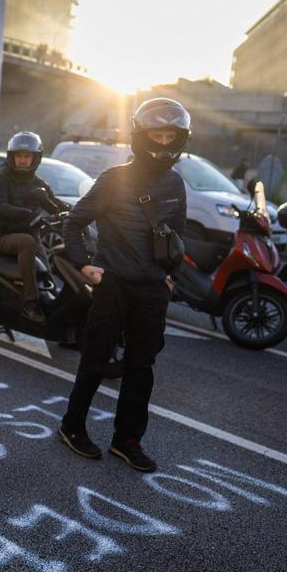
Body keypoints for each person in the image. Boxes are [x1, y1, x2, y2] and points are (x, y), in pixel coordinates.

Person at [59, 98, 189, 474]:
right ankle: (72, 426)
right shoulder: (114, 179)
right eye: (156, 135)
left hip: (152, 290)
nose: (163, 143)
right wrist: (86, 264)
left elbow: (177, 234)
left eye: (170, 136)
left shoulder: (176, 183)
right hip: (113, 283)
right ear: (140, 135)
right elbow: (74, 222)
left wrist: (169, 274)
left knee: (141, 366)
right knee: (96, 361)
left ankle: (127, 439)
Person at [0, 131, 67, 320]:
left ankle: (51, 306)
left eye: (27, 156)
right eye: (19, 156)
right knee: (28, 242)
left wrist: (73, 212)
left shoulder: (36, 182)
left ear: (35, 158)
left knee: (48, 270)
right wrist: (28, 215)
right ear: (12, 157)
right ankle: (30, 304)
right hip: (5, 236)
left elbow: (53, 201)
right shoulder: (2, 177)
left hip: (31, 236)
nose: (22, 160)